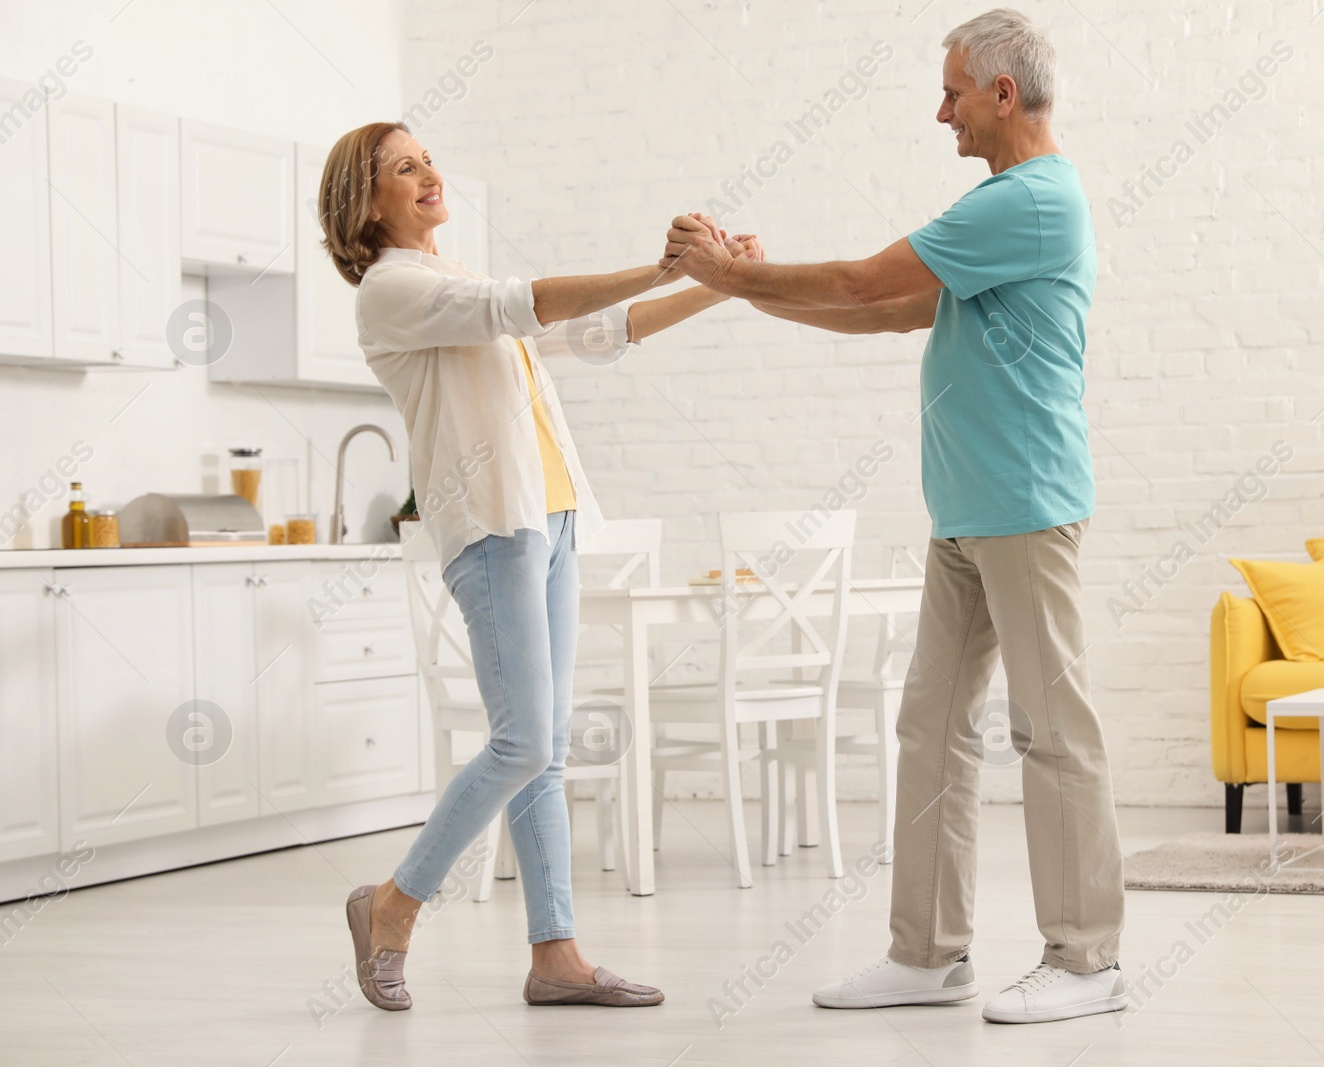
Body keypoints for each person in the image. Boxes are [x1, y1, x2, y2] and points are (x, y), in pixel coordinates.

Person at [659, 8, 1126, 1026]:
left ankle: (1088, 958)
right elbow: (879, 309)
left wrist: (728, 272)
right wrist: (736, 289)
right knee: (930, 727)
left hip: (1025, 505)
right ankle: (927, 953)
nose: (940, 109)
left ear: (1003, 93)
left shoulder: (1034, 201)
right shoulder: (996, 209)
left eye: (953, 89)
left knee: (1052, 728)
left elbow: (862, 277)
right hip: (965, 511)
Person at [319, 120, 760, 1011]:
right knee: (522, 741)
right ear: (366, 206)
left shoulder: (454, 279)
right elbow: (529, 305)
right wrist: (666, 263)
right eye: (405, 169)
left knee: (543, 749)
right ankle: (394, 905)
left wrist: (719, 286)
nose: (430, 174)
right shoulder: (392, 289)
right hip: (489, 530)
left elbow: (596, 332)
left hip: (548, 518)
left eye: (428, 158)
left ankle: (555, 955)